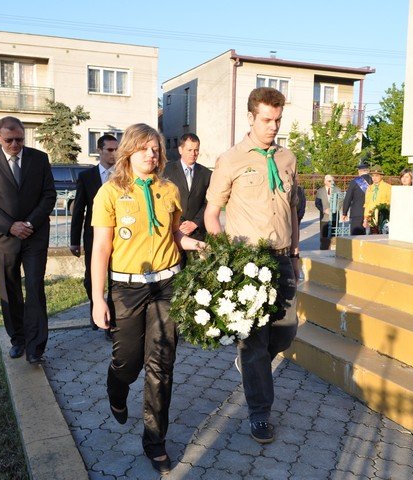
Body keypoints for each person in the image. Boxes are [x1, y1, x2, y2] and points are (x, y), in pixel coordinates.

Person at [90, 123, 204, 475]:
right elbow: (101, 249)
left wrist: (196, 244)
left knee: (161, 367)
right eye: (144, 148)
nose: (151, 154)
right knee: (128, 362)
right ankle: (117, 388)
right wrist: (98, 299)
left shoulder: (169, 190)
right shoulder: (110, 193)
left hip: (168, 284)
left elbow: (174, 235)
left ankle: (155, 442)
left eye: (155, 149)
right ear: (128, 151)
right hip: (127, 289)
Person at [204, 87, 299, 445]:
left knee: (286, 331)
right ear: (250, 117)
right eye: (266, 119)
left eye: (278, 120)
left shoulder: (287, 158)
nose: (273, 126)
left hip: (282, 257)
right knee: (256, 341)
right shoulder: (230, 159)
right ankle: (260, 414)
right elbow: (212, 214)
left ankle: (249, 363)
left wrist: (295, 254)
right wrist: (226, 258)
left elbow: (291, 209)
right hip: (248, 262)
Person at [0, 116, 56, 365]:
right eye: (9, 140)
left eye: (19, 139)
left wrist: (29, 223)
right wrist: (11, 226)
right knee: (9, 290)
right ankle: (18, 339)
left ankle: (35, 347)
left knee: (34, 287)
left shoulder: (39, 159)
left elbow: (49, 195)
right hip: (4, 238)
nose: (14, 145)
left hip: (35, 235)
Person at [69, 134, 118, 338]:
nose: (114, 154)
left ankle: (111, 322)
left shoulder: (124, 176)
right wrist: (74, 241)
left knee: (115, 279)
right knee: (92, 278)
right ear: (99, 150)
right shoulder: (86, 177)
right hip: (93, 238)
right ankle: (95, 308)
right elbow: (79, 210)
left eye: (117, 150)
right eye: (110, 150)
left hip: (119, 237)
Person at [163, 133, 211, 242]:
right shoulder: (166, 171)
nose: (193, 154)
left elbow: (209, 202)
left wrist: (195, 223)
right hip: (172, 232)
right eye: (189, 150)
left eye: (196, 150)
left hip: (197, 234)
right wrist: (177, 223)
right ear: (180, 150)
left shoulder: (207, 174)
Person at [341, 162, 372, 235]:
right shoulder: (374, 181)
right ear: (368, 171)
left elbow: (348, 198)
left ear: (359, 171)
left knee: (356, 237)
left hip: (357, 214)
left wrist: (344, 213)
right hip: (372, 213)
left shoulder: (355, 182)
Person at [363, 165, 392, 232]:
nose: (374, 178)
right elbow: (367, 204)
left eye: (376, 176)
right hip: (371, 218)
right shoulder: (369, 188)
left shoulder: (388, 187)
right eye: (372, 176)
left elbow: (390, 203)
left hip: (383, 218)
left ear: (381, 176)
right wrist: (365, 219)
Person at [315, 174, 337, 249]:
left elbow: (341, 202)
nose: (331, 182)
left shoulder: (337, 190)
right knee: (324, 236)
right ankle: (323, 250)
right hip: (324, 217)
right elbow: (317, 203)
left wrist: (334, 209)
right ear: (325, 182)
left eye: (332, 181)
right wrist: (324, 210)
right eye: (329, 181)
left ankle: (333, 250)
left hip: (334, 217)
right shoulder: (320, 191)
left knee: (334, 236)